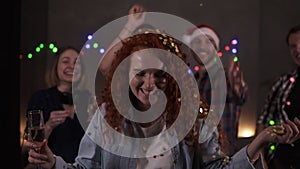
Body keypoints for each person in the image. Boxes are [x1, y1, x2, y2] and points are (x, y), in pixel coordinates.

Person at [25, 32, 300, 169]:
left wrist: (259, 141)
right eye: (140, 74)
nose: (149, 84)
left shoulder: (193, 117)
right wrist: (53, 164)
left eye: (160, 75)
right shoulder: (108, 115)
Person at [182, 24, 249, 155]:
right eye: (197, 41)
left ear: (216, 47)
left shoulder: (223, 77)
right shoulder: (189, 81)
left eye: (208, 41)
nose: (202, 46)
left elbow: (240, 96)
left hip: (220, 155)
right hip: (193, 155)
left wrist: (238, 87)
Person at [23, 46, 92, 165]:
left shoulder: (89, 99)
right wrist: (49, 126)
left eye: (77, 62)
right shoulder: (41, 98)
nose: (72, 66)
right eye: (65, 61)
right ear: (56, 67)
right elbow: (27, 148)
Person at [256, 24, 300, 169]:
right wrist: (262, 158)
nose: (298, 50)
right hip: (283, 159)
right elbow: (263, 120)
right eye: (293, 46)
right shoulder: (283, 83)